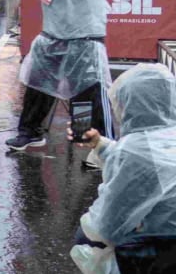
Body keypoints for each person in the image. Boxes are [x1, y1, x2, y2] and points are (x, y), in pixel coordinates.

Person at [7, 0, 115, 157]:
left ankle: (102, 147)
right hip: (53, 30)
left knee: (87, 91)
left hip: (83, 32)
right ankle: (30, 133)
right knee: (38, 83)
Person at [69, 64, 176, 273]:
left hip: (163, 249)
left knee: (85, 237)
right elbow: (154, 164)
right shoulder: (164, 137)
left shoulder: (135, 149)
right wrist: (100, 144)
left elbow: (107, 227)